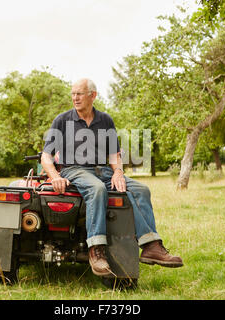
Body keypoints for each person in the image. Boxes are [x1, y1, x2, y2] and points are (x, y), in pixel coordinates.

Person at [41, 78, 183, 277]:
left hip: (103, 171)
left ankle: (151, 246)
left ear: (93, 95)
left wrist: (118, 171)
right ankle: (96, 250)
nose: (75, 97)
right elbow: (46, 156)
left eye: (79, 93)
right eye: (73, 93)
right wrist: (55, 176)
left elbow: (114, 155)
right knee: (97, 189)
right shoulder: (62, 120)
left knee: (141, 190)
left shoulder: (105, 120)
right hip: (75, 170)